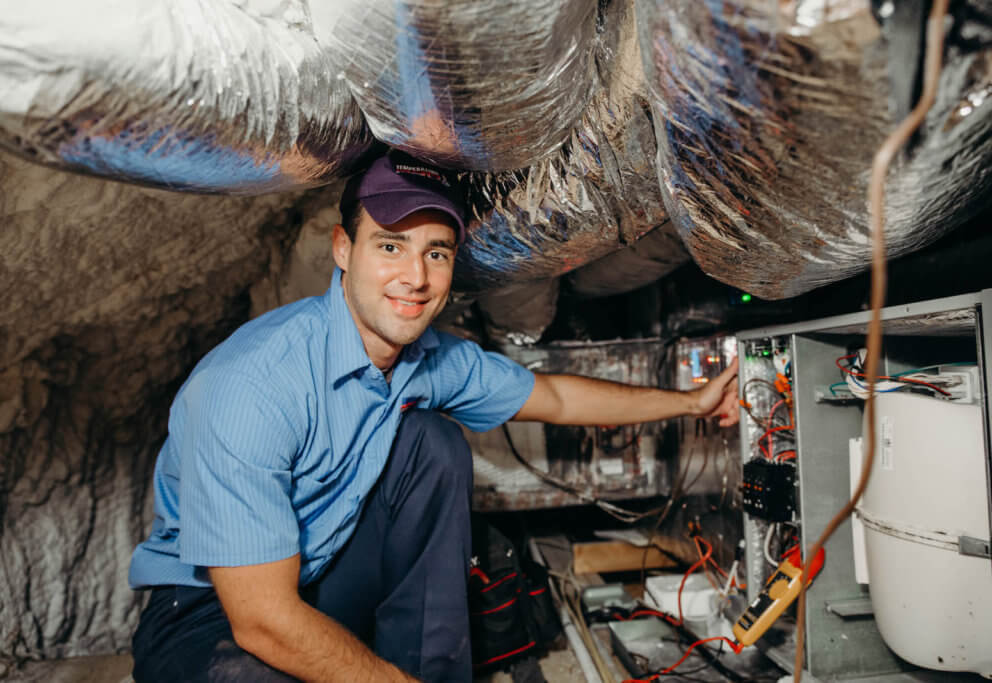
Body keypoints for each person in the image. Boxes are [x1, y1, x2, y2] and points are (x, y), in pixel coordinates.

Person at [128, 151, 740, 683]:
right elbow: (261, 621)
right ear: (344, 250)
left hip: (325, 569)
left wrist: (691, 402)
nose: (415, 278)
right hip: (211, 609)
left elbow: (553, 398)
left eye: (436, 253)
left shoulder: (427, 359)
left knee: (432, 441)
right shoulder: (252, 387)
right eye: (390, 246)